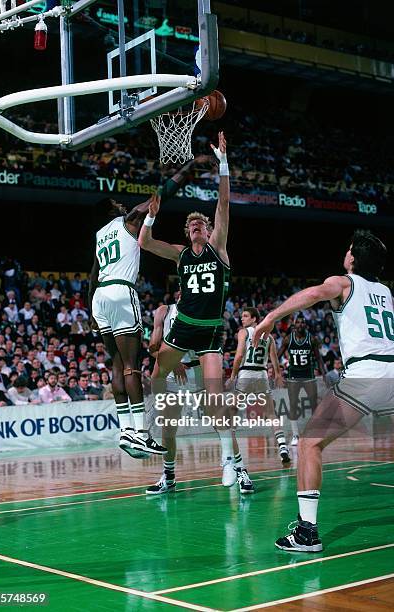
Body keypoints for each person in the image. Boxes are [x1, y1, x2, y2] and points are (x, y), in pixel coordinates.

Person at [253, 230, 393, 552]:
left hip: (366, 375)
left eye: (349, 250)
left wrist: (272, 316)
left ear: (353, 258)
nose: (345, 253)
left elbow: (314, 294)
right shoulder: (385, 291)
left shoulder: (344, 282)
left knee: (309, 443)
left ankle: (306, 533)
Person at [139, 132, 254, 493]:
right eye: (191, 225)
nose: (196, 227)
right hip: (185, 326)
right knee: (157, 375)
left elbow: (223, 205)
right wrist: (149, 218)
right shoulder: (181, 254)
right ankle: (149, 430)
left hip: (211, 331)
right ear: (187, 233)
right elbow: (145, 243)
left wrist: (223, 164)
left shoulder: (218, 249)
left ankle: (234, 466)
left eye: (200, 224)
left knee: (215, 404)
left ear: (208, 230)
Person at [89, 157, 203, 458]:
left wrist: (91, 312)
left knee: (115, 365)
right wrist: (187, 172)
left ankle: (125, 429)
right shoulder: (126, 222)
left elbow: (93, 274)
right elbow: (158, 197)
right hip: (121, 291)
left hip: (99, 296)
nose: (121, 205)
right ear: (111, 211)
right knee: (131, 366)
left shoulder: (100, 237)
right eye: (115, 203)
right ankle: (141, 432)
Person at [145, 297, 204, 495]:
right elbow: (153, 347)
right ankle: (168, 477)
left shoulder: (201, 310)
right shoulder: (164, 310)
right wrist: (174, 360)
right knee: (168, 429)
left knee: (221, 422)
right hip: (173, 373)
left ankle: (238, 468)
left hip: (197, 371)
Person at [228, 307, 290, 464]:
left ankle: (229, 447)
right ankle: (282, 445)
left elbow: (239, 355)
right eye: (241, 316)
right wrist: (277, 375)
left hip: (246, 373)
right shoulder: (268, 337)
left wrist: (233, 375)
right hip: (262, 374)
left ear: (254, 319)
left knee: (233, 410)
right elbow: (274, 358)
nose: (242, 319)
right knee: (270, 413)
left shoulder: (244, 332)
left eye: (246, 316)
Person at [277, 314, 326, 445]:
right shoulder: (288, 339)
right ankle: (295, 435)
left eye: (302, 322)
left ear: (306, 325)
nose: (300, 325)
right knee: (293, 404)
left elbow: (319, 358)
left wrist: (325, 373)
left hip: (308, 374)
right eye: (298, 323)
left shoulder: (312, 339)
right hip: (293, 375)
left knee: (313, 404)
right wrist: (277, 372)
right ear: (294, 325)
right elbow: (277, 356)